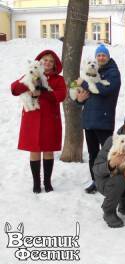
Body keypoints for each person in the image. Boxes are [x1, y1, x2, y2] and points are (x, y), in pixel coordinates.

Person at [11, 50, 67, 193]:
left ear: (55, 64)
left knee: (48, 150)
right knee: (34, 150)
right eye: (45, 60)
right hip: (32, 118)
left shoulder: (58, 79)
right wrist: (29, 83)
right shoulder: (29, 73)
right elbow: (14, 89)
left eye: (51, 61)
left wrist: (42, 92)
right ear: (39, 62)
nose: (47, 63)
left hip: (50, 119)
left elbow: (60, 95)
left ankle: (47, 182)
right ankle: (36, 183)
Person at [75, 44, 121, 194]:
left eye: (103, 55)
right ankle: (96, 180)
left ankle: (110, 180)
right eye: (98, 55)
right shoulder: (93, 70)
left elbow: (104, 90)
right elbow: (80, 95)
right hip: (89, 119)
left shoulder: (113, 73)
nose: (101, 58)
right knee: (93, 153)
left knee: (108, 152)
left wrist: (84, 83)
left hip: (104, 119)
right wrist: (79, 100)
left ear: (108, 57)